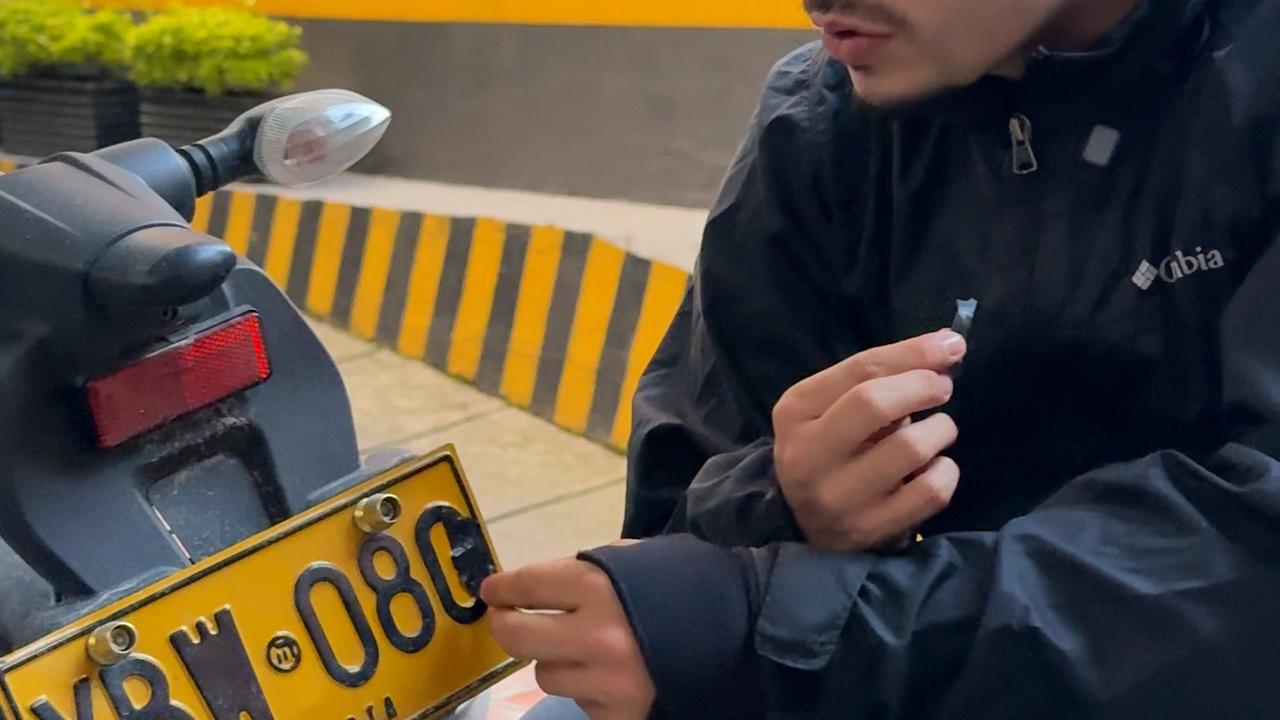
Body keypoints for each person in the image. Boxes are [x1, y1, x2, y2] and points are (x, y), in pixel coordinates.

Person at [481, 0, 1280, 717]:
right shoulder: (819, 125)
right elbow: (671, 534)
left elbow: (1250, 578)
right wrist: (783, 503)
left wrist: (776, 627)